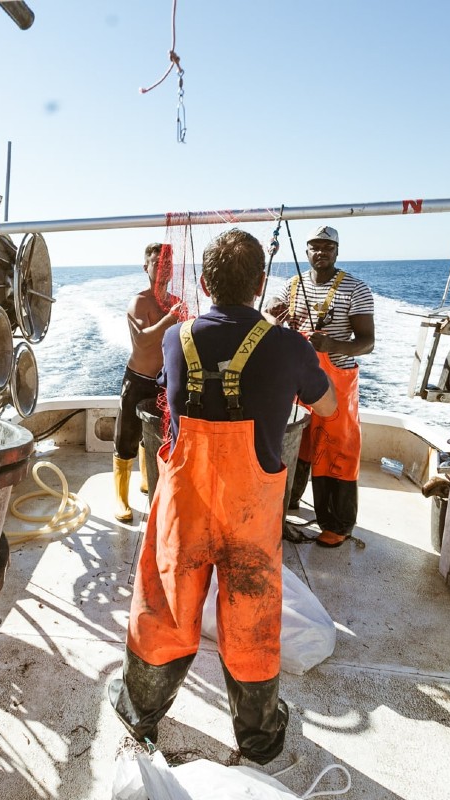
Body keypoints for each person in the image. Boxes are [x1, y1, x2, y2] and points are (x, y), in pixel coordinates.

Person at [109, 228, 336, 763]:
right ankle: (258, 738)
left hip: (183, 510)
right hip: (249, 514)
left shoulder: (175, 338)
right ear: (261, 283)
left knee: (164, 607)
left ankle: (140, 717)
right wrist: (291, 355)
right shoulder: (287, 345)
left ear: (205, 283)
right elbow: (325, 408)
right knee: (251, 620)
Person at [264, 225, 374, 548]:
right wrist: (273, 307)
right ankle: (289, 502)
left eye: (327, 247)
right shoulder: (293, 286)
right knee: (296, 441)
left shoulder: (356, 290)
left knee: (335, 448)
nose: (320, 252)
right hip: (298, 379)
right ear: (307, 251)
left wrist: (333, 344)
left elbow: (367, 343)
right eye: (314, 246)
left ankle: (337, 523)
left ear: (337, 252)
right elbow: (275, 304)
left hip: (335, 380)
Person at [112, 242, 182, 523]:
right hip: (138, 380)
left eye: (167, 263)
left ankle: (146, 480)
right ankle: (120, 497)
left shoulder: (175, 301)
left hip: (164, 382)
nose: (162, 268)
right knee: (125, 437)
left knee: (152, 435)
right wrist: (171, 317)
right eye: (156, 262)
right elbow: (142, 340)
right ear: (146, 267)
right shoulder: (139, 302)